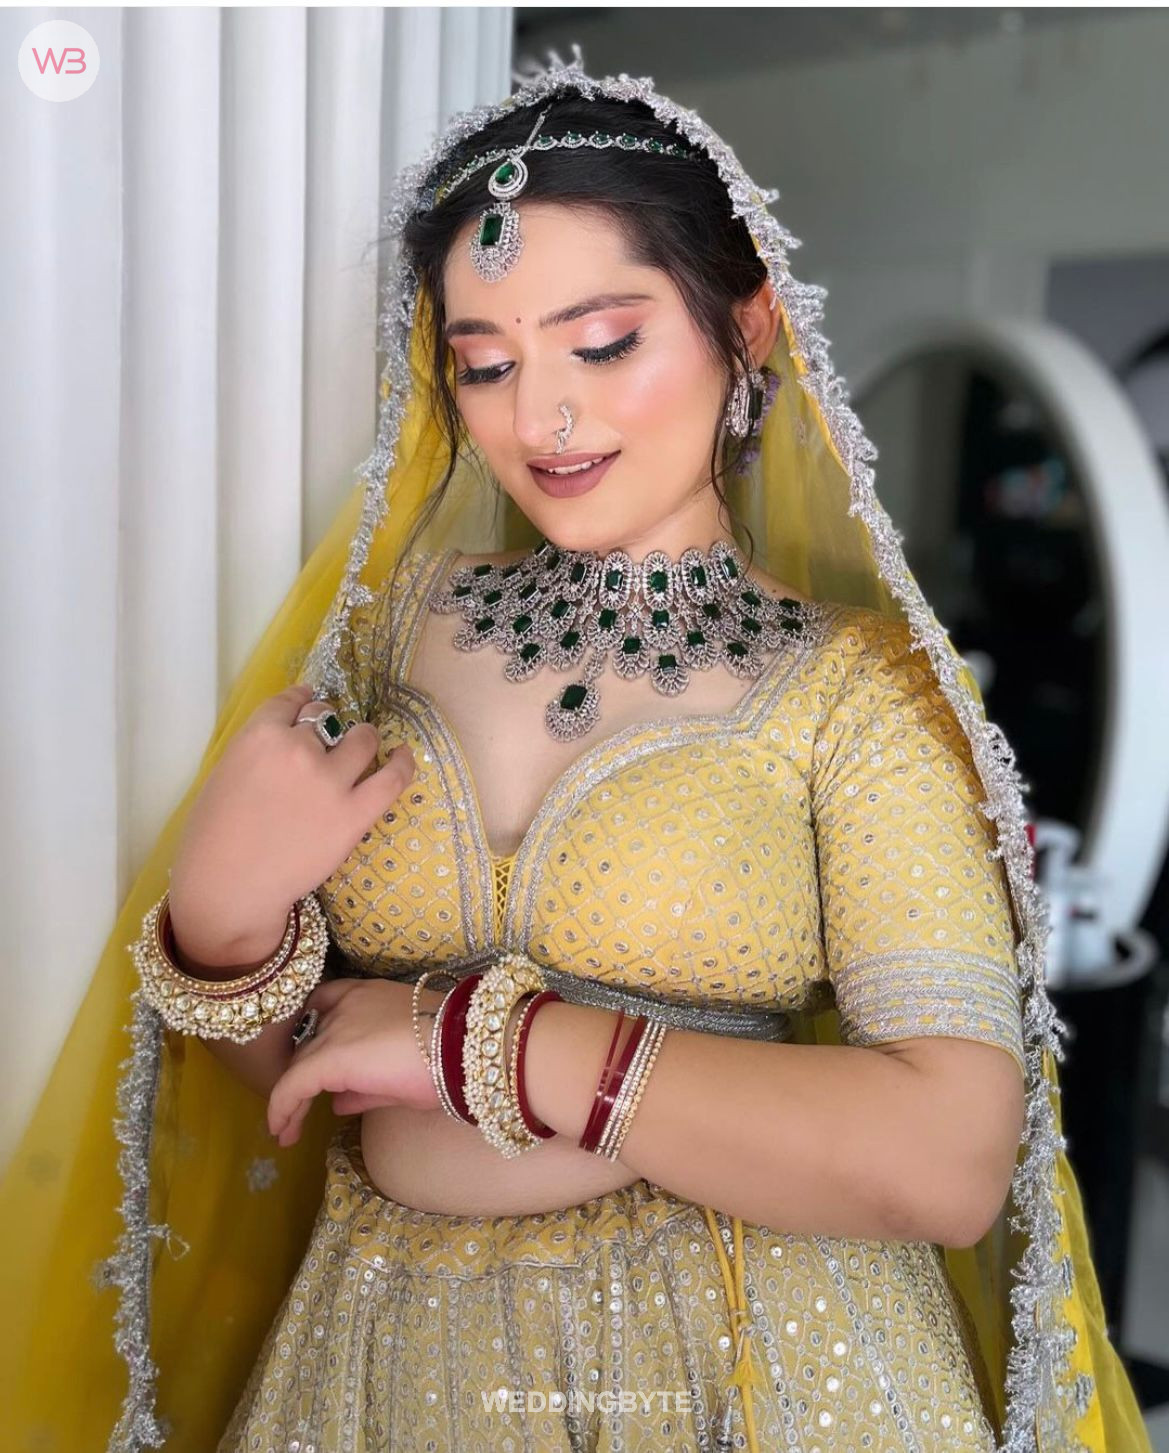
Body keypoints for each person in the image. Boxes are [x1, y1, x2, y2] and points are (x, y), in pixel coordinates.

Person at [0, 49, 1150, 1453]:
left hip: (745, 1365)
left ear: (750, 326)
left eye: (601, 345)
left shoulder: (858, 697)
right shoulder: (386, 630)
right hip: (386, 1356)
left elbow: (947, 1157)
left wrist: (476, 1043)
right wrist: (227, 928)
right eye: (484, 364)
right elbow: (316, 1073)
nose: (538, 418)